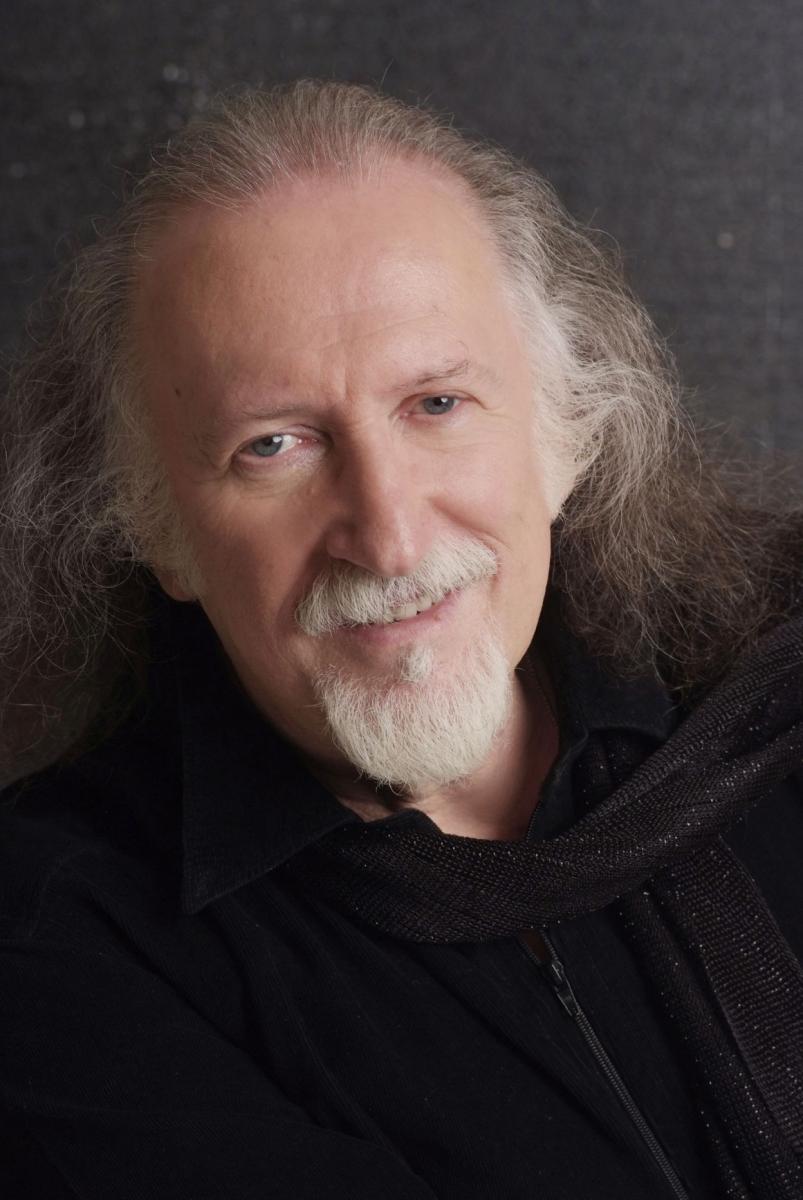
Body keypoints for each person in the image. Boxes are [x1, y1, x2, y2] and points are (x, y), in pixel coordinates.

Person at [0, 80, 801, 1200]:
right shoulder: (62, 939)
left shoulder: (769, 700)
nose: (386, 537)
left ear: (567, 431)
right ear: (152, 523)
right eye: (273, 445)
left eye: (436, 405)